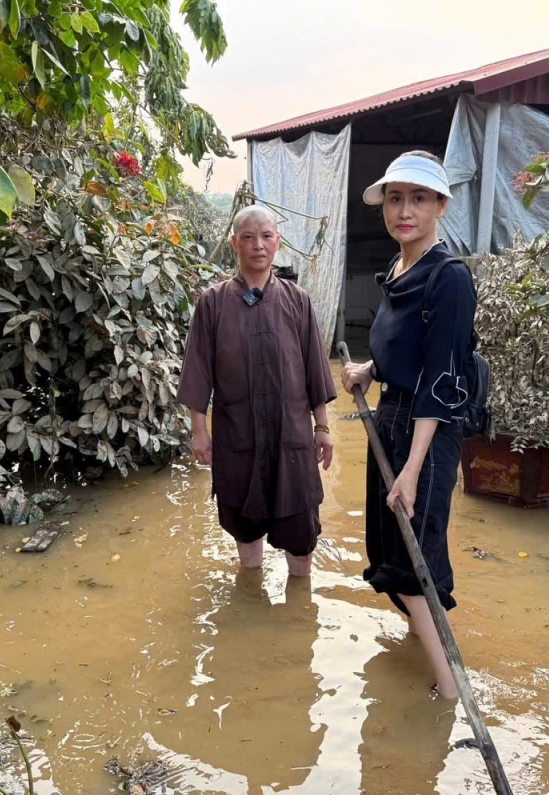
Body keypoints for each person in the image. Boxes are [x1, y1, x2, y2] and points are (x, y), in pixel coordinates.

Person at [340, 151, 479, 701]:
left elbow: (441, 378)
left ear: (440, 206)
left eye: (419, 199)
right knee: (395, 549)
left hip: (428, 429)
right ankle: (420, 645)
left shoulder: (449, 280)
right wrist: (369, 369)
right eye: (395, 198)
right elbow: (408, 350)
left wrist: (414, 470)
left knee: (414, 552)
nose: (405, 210)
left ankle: (450, 693)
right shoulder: (401, 269)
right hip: (394, 419)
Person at [178, 206, 337, 577]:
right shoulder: (213, 303)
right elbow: (198, 370)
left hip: (292, 439)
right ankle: (251, 604)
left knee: (301, 536)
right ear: (235, 243)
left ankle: (297, 619)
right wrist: (199, 433)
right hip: (239, 438)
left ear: (277, 242)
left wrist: (323, 428)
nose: (258, 245)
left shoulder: (298, 300)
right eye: (248, 237)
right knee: (245, 531)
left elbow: (315, 368)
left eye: (266, 236)